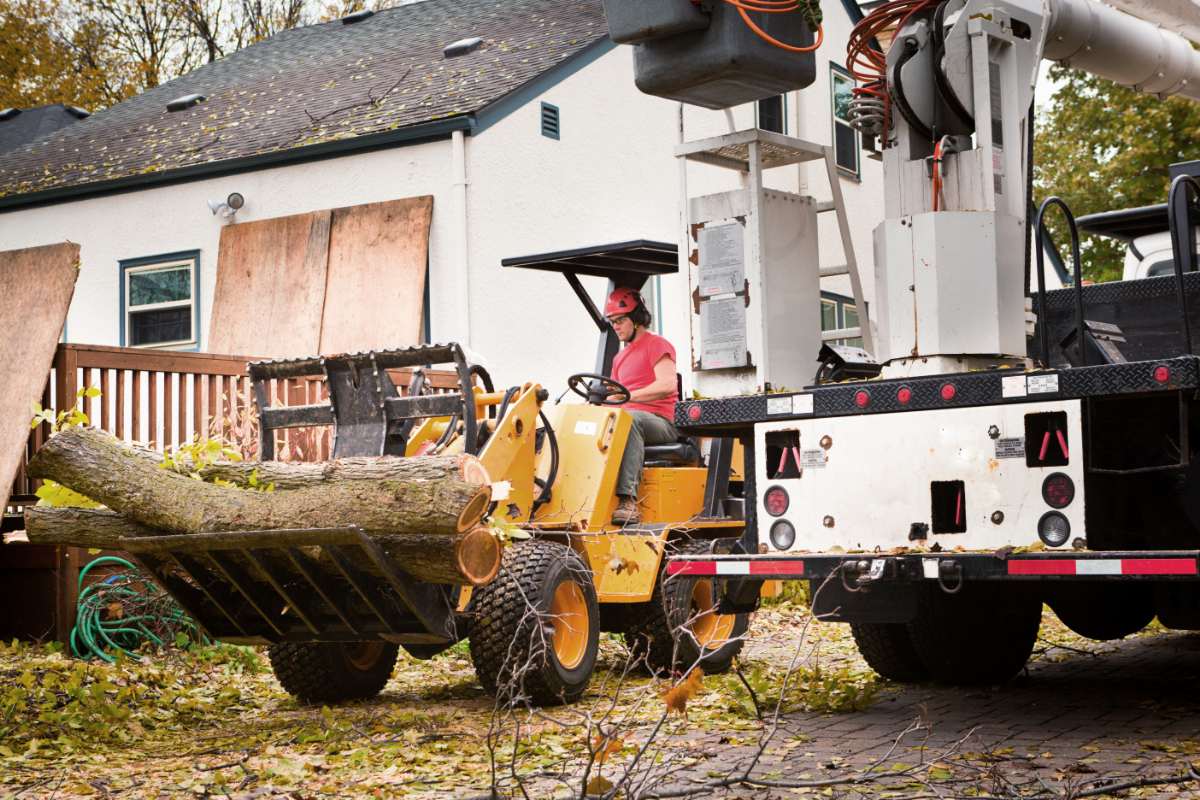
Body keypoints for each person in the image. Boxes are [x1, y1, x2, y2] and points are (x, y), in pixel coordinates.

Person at [605, 287, 679, 525]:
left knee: (630, 420)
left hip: (662, 422)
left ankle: (627, 500)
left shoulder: (657, 345)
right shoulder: (619, 358)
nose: (616, 326)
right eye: (612, 322)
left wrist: (627, 398)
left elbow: (668, 384)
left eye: (620, 320)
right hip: (629, 421)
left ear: (637, 319)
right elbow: (615, 398)